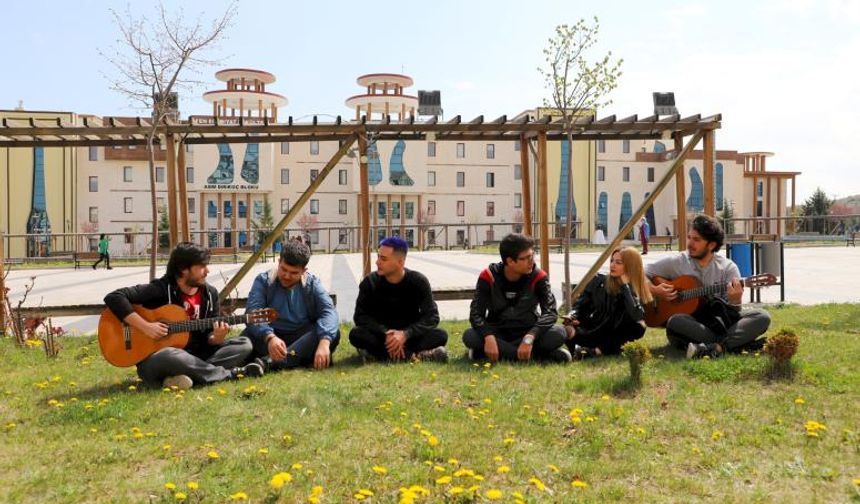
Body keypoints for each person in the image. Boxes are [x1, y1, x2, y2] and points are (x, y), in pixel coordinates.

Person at [104, 242, 262, 390]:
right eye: (202, 267)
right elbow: (114, 297)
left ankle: (183, 377)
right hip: (161, 360)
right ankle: (228, 374)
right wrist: (146, 327)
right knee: (170, 355)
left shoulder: (210, 293)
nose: (207, 271)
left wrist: (216, 338)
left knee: (244, 343)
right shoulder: (160, 289)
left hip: (198, 355)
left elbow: (209, 338)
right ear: (183, 269)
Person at [646, 214, 771, 359]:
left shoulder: (728, 268)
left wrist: (735, 301)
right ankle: (736, 344)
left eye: (696, 239)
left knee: (762, 316)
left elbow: (731, 315)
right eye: (689, 237)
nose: (690, 243)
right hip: (694, 325)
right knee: (675, 321)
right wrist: (655, 290)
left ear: (711, 245)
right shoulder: (677, 261)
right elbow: (642, 272)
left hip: (719, 322)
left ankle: (716, 347)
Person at [463, 233, 571, 363]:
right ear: (509, 261)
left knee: (559, 333)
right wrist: (488, 336)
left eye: (532, 256)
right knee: (470, 336)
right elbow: (476, 314)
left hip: (528, 332)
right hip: (498, 332)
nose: (531, 261)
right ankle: (537, 355)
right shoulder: (488, 276)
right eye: (525, 258)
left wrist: (530, 337)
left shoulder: (539, 276)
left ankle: (487, 353)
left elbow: (550, 313)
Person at [243, 239, 340, 371]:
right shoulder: (263, 281)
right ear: (279, 262)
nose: (287, 276)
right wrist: (269, 337)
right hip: (268, 338)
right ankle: (292, 359)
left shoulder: (312, 284)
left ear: (304, 270)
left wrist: (324, 342)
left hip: (300, 338)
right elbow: (252, 312)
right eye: (283, 269)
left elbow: (328, 311)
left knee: (330, 335)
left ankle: (269, 363)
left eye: (294, 272)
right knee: (247, 338)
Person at [349, 236, 448, 362]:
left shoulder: (418, 281)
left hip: (409, 335)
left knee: (441, 335)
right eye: (378, 256)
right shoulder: (370, 282)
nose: (377, 262)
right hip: (382, 336)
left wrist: (405, 334)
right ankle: (414, 355)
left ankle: (378, 355)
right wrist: (386, 334)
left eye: (383, 259)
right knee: (356, 334)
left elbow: (432, 317)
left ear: (400, 262)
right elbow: (360, 317)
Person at [563, 247, 651, 359]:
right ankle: (576, 348)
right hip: (596, 327)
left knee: (639, 327)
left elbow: (637, 315)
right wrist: (573, 315)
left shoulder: (634, 288)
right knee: (569, 327)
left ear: (631, 266)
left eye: (618, 262)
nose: (612, 265)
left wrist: (625, 287)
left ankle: (595, 351)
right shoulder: (599, 280)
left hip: (615, 334)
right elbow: (582, 305)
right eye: (612, 261)